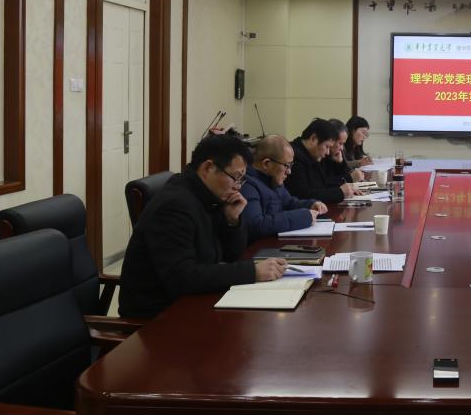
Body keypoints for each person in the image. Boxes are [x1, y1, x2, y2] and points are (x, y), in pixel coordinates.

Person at [119, 135, 287, 319]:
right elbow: (182, 277)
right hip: (158, 317)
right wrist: (252, 272)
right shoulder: (174, 205)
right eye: (235, 177)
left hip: (192, 300)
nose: (238, 187)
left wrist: (232, 221)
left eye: (241, 180)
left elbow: (231, 256)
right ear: (208, 168)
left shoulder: (208, 196)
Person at [241, 134, 329, 241]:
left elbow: (288, 203)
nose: (289, 171)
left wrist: (311, 204)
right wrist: (303, 216)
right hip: (260, 247)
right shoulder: (248, 186)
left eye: (291, 165)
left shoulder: (273, 178)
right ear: (266, 164)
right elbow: (257, 225)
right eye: (286, 165)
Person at [285, 118, 356, 204]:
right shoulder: (293, 156)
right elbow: (303, 195)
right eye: (327, 146)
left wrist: (347, 189)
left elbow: (323, 184)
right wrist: (340, 192)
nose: (328, 152)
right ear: (313, 139)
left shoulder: (314, 154)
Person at [328, 118, 365, 182]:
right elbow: (326, 183)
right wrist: (350, 178)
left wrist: (340, 163)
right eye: (340, 143)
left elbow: (344, 172)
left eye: (343, 144)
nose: (342, 148)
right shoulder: (321, 158)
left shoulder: (336, 154)